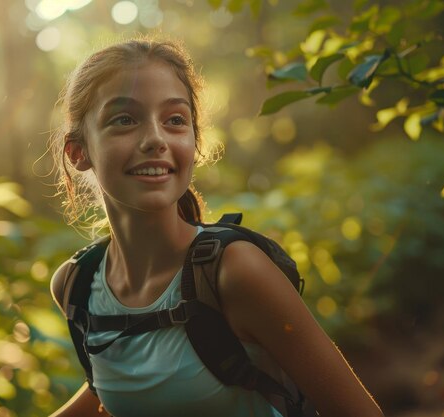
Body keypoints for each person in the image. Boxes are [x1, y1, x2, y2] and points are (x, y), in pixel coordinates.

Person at [47, 37, 384, 417]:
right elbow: (120, 380)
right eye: (124, 119)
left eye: (175, 120)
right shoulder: (77, 287)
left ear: (194, 142)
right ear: (78, 152)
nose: (156, 139)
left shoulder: (235, 272)